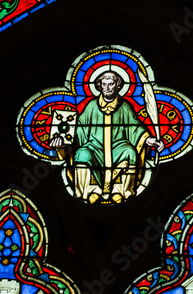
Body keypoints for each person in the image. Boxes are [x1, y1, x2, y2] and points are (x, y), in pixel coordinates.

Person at [52, 71, 164, 203]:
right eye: (104, 84)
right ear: (99, 86)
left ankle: (121, 191)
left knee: (131, 152)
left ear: (118, 86)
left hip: (119, 146)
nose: (107, 88)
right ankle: (89, 191)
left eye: (111, 84)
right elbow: (79, 131)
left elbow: (134, 127)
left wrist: (147, 139)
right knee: (82, 154)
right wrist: (64, 144)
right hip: (94, 148)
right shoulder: (91, 106)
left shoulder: (125, 106)